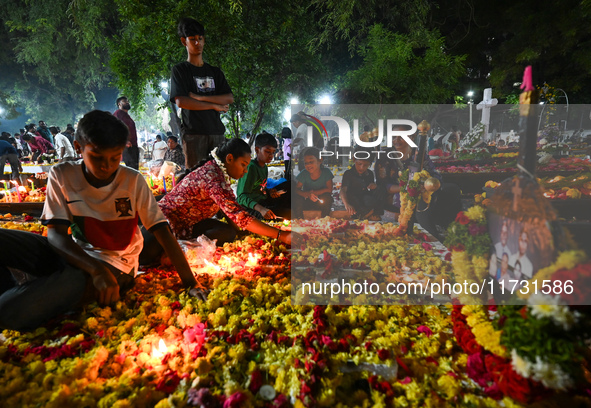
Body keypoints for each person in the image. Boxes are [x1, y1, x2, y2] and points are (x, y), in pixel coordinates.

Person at [0, 110, 206, 332]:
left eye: (114, 157)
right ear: (79, 148)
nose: (107, 166)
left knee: (8, 310)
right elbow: (56, 235)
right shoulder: (62, 174)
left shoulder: (132, 180)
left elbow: (162, 232)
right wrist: (94, 270)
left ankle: (43, 290)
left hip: (115, 267)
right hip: (77, 256)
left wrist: (191, 283)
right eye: (97, 157)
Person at [157, 138, 294, 246]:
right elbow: (239, 215)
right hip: (167, 223)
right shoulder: (213, 177)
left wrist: (240, 231)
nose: (245, 170)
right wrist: (282, 236)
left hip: (190, 223)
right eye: (243, 165)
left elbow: (227, 209)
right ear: (229, 159)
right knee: (227, 233)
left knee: (228, 232)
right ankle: (183, 246)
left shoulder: (217, 171)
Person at [170, 17, 234, 169]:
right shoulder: (180, 70)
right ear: (183, 41)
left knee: (218, 178)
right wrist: (214, 105)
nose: (197, 43)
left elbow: (229, 97)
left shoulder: (215, 72)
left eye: (200, 38)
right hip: (193, 134)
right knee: (195, 180)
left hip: (217, 133)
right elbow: (182, 101)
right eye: (192, 39)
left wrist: (200, 97)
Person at [382, 135, 462, 241]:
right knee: (419, 200)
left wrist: (427, 184)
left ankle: (451, 230)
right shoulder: (386, 156)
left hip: (425, 190)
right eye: (394, 137)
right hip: (399, 194)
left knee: (452, 189)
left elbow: (435, 175)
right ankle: (432, 237)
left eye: (401, 137)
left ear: (411, 137)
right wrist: (408, 188)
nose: (396, 140)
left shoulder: (419, 154)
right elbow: (383, 185)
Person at [236, 133, 291, 220]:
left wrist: (269, 191)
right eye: (267, 152)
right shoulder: (251, 167)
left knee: (289, 185)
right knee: (287, 214)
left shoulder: (264, 167)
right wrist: (261, 209)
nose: (271, 155)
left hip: (263, 201)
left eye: (273, 152)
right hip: (251, 208)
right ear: (257, 150)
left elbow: (259, 188)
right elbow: (241, 196)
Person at [293, 147, 334, 218]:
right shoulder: (304, 174)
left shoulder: (326, 173)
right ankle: (299, 220)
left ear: (320, 160)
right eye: (306, 163)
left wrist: (313, 193)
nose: (308, 165)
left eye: (311, 162)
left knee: (328, 198)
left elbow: (329, 190)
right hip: (307, 202)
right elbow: (297, 190)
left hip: (321, 202)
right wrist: (308, 194)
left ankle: (324, 219)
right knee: (297, 199)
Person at [340, 153, 380, 220]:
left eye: (366, 165)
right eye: (359, 164)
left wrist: (374, 186)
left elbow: (371, 190)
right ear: (354, 160)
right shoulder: (349, 174)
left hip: (365, 198)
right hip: (353, 198)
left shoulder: (369, 173)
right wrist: (346, 204)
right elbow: (343, 190)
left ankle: (369, 214)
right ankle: (364, 215)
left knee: (374, 196)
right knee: (354, 200)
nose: (362, 167)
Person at [113, 96, 139, 170]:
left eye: (127, 101)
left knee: (134, 168)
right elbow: (115, 128)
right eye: (124, 101)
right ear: (119, 104)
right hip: (127, 145)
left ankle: (134, 181)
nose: (127, 102)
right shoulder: (118, 113)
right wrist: (124, 141)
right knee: (132, 169)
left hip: (133, 145)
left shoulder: (127, 116)